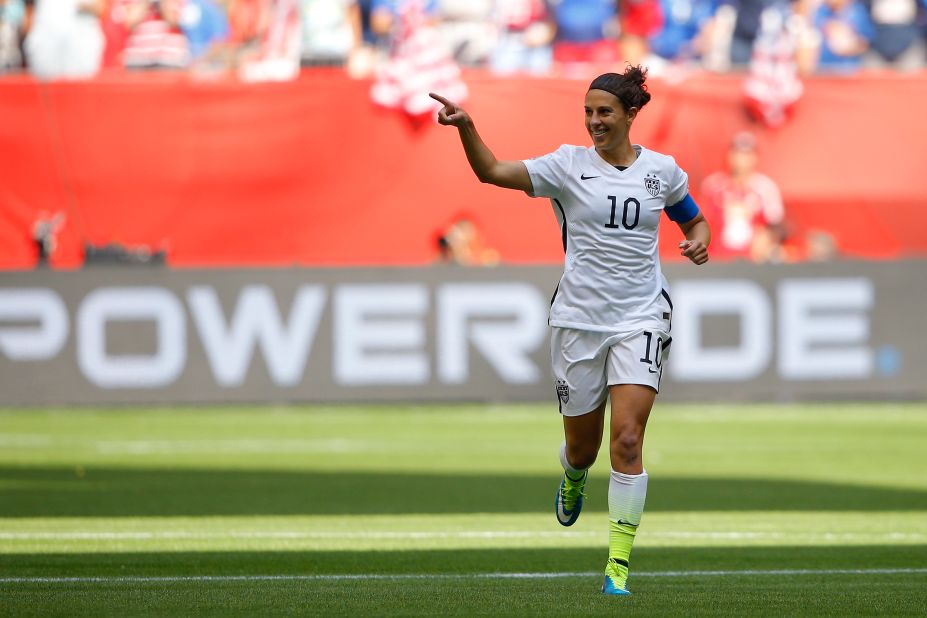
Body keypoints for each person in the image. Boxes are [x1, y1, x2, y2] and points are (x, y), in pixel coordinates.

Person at [429, 65, 711, 595]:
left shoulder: (663, 172)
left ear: (631, 115)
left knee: (627, 439)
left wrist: (698, 239)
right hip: (578, 321)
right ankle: (575, 475)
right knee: (584, 448)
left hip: (642, 316)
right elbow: (491, 171)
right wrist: (467, 126)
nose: (593, 122)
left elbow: (692, 219)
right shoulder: (565, 165)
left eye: (604, 112)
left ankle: (617, 569)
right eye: (587, 112)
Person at [699, 130, 785, 261]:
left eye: (746, 154)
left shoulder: (765, 187)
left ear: (755, 157)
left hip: (754, 259)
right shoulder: (713, 185)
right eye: (737, 153)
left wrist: (766, 239)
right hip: (718, 258)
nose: (741, 159)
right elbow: (698, 222)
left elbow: (776, 224)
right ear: (729, 155)